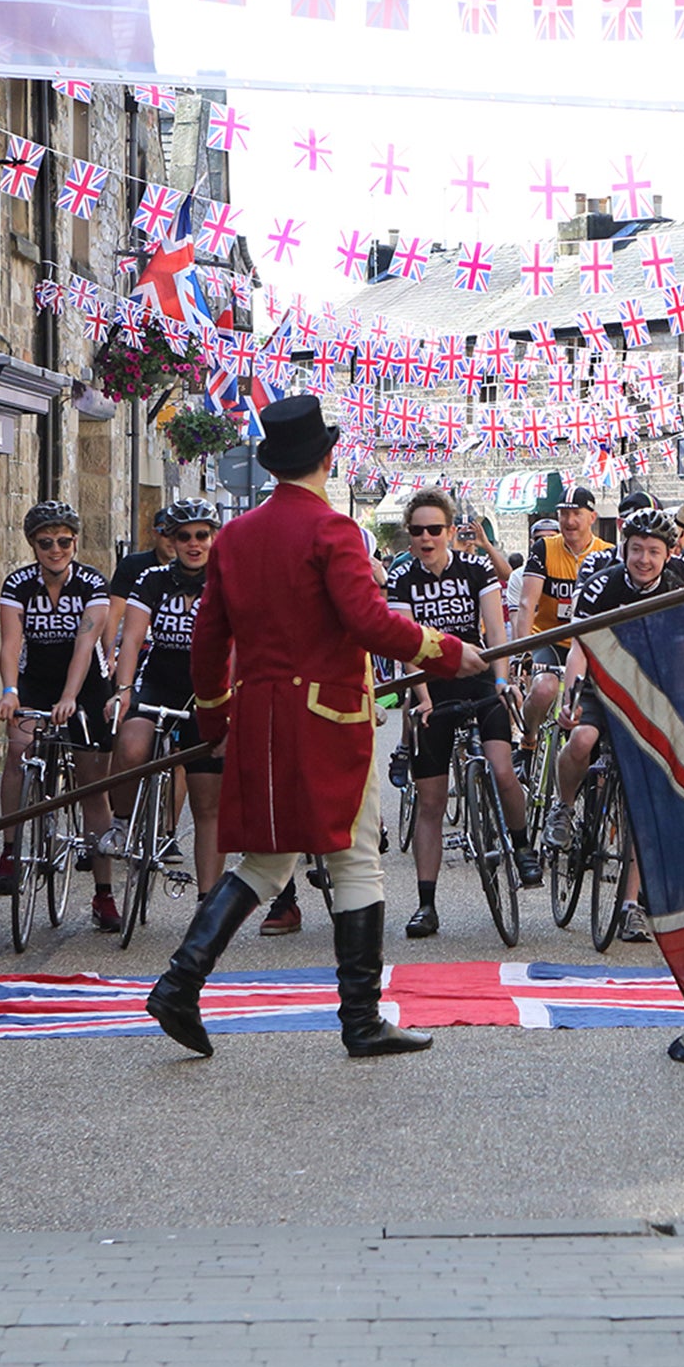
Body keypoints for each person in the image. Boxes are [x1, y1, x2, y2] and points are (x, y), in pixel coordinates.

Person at [146, 395, 485, 1059]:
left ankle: (181, 982)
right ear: (328, 458)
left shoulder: (236, 536)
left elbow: (207, 640)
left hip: (258, 716)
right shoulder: (333, 532)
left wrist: (215, 714)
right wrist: (445, 652)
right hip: (328, 718)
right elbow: (367, 620)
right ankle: (360, 1020)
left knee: (269, 861)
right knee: (356, 858)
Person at [389, 489, 535, 939]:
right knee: (431, 801)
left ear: (451, 532)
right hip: (429, 687)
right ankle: (426, 904)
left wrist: (501, 680)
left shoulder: (475, 568)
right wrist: (421, 696)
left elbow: (496, 629)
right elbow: (405, 642)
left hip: (477, 677)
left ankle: (523, 845)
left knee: (502, 768)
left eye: (436, 529)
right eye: (418, 531)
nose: (427, 537)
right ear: (409, 537)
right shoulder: (402, 578)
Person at [549, 507, 684, 944]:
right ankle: (565, 805)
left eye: (653, 551)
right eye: (636, 550)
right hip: (601, 679)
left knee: (639, 799)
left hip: (652, 689)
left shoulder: (681, 584)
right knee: (582, 739)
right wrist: (570, 698)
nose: (644, 560)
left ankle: (631, 905)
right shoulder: (601, 585)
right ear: (624, 550)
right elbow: (578, 649)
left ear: (668, 554)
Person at [0, 501, 119, 929]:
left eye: (64, 542)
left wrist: (69, 698)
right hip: (36, 679)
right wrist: (9, 691)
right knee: (19, 749)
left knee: (91, 787)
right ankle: (11, 849)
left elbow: (86, 648)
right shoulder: (18, 584)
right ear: (33, 545)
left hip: (83, 686)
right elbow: (10, 644)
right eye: (45, 543)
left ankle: (104, 894)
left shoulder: (91, 584)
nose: (55, 549)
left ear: (75, 543)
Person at [107, 499, 226, 899]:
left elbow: (242, 644)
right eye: (183, 536)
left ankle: (208, 902)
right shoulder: (153, 579)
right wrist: (123, 692)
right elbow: (133, 638)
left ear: (213, 538)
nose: (193, 544)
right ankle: (123, 821)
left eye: (201, 536)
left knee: (207, 802)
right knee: (131, 744)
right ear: (171, 541)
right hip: (159, 678)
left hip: (207, 689)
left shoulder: (228, 580)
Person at [513, 486, 613, 740]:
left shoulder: (608, 553)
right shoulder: (544, 548)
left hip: (589, 645)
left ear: (592, 517)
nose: (569, 521)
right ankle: (529, 739)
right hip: (549, 638)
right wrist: (523, 653)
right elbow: (527, 604)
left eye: (576, 513)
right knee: (544, 689)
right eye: (563, 514)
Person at [104, 507, 179, 675]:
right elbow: (114, 613)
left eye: (179, 534)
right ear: (155, 533)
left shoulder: (200, 573)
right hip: (138, 650)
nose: (172, 540)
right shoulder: (132, 566)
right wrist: (109, 657)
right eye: (165, 531)